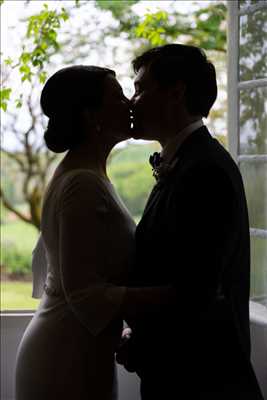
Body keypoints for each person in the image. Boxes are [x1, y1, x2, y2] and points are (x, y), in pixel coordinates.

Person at [15, 65, 175, 400]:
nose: (130, 102)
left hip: (82, 349)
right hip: (64, 359)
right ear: (91, 116)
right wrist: (175, 295)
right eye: (117, 97)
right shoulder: (81, 183)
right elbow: (85, 294)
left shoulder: (88, 174)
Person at [116, 44, 264, 399]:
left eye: (140, 88)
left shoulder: (206, 170)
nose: (131, 101)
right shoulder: (188, 161)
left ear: (176, 92)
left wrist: (110, 301)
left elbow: (195, 292)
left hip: (203, 381)